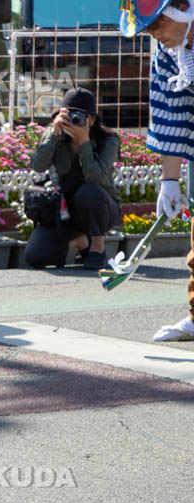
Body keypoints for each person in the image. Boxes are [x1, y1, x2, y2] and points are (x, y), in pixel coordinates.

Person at [122, 0, 194, 340]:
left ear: (179, 11)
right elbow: (170, 115)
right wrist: (169, 181)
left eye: (156, 25)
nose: (153, 35)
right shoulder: (167, 54)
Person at [25, 88, 121, 271]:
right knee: (35, 257)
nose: (73, 121)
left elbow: (95, 178)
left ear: (92, 120)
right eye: (70, 116)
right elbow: (37, 165)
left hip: (101, 208)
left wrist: (84, 141)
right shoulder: (55, 134)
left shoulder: (108, 140)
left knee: (88, 192)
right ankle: (81, 241)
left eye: (80, 116)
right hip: (64, 209)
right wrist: (53, 134)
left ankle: (97, 249)